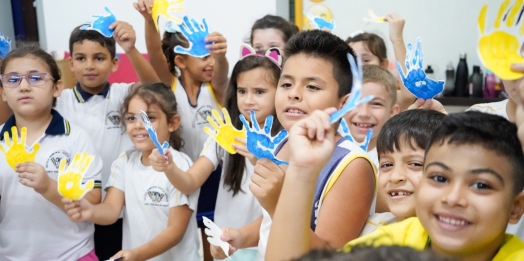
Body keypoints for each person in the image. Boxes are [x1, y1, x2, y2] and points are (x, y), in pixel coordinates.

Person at [212, 30, 376, 261]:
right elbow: (270, 221)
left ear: (345, 103)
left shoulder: (352, 165)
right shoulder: (283, 143)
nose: (294, 94)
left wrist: (277, 204)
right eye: (286, 84)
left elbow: (329, 255)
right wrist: (241, 237)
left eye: (312, 87)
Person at [150, 45, 283, 260]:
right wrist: (169, 166)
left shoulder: (286, 139)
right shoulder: (224, 135)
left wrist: (258, 158)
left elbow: (287, 200)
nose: (248, 100)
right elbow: (190, 182)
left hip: (269, 245)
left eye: (259, 91)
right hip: (225, 245)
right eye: (242, 91)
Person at [55, 21, 160, 260]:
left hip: (121, 208)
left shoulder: (124, 95)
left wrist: (131, 48)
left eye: (99, 58)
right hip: (77, 207)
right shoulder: (61, 101)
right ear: (70, 64)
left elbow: (157, 89)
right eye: (81, 58)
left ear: (114, 63)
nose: (90, 65)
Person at [133, 3, 229, 258]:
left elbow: (221, 74)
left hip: (215, 175)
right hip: (178, 172)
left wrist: (220, 56)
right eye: (203, 56)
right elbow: (154, 52)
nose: (209, 62)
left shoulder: (216, 89)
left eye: (211, 56)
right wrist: (148, 17)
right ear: (180, 61)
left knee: (214, 242)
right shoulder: (170, 87)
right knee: (183, 237)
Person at [63, 83, 200, 261]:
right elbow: (112, 210)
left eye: (149, 118)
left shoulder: (178, 165)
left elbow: (175, 231)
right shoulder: (124, 161)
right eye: (131, 118)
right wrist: (90, 211)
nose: (138, 125)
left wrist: (137, 254)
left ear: (172, 123)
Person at [0, 43, 102, 260]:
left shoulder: (76, 138)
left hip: (73, 254)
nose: (24, 87)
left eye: (35, 78)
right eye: (13, 79)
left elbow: (93, 202)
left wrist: (49, 187)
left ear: (57, 88)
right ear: (3, 93)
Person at [346, 13, 415, 111]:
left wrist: (397, 39)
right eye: (352, 60)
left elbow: (408, 94)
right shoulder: (340, 95)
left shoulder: (387, 97)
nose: (359, 66)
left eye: (365, 60)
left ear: (383, 64)